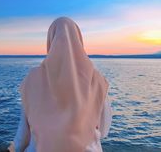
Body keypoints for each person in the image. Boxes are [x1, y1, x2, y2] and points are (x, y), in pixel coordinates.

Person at [7, 16, 112, 152]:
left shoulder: (33, 79)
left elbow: (23, 134)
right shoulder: (96, 80)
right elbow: (102, 130)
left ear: (50, 41)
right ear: (79, 41)